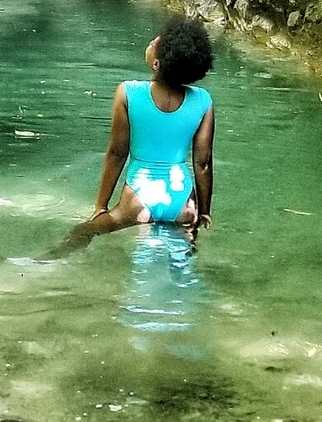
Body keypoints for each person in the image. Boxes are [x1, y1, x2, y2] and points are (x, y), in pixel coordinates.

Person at [54, 17, 215, 253]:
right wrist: (203, 210)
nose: (152, 41)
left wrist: (101, 205)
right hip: (182, 201)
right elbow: (203, 162)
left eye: (154, 43)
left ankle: (45, 261)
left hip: (139, 196)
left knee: (87, 231)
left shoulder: (128, 92)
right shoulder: (203, 100)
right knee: (182, 258)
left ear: (157, 64)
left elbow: (117, 153)